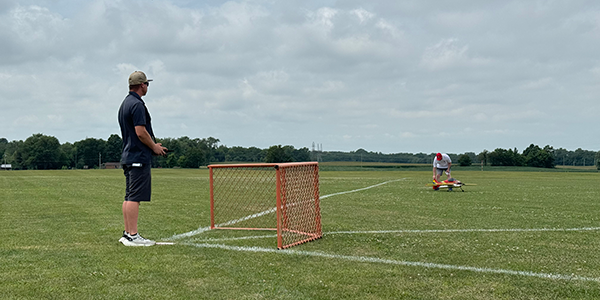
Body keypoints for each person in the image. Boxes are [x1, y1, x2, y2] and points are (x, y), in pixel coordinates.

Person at [117, 71, 167, 246]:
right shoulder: (137, 105)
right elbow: (140, 132)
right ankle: (133, 235)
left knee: (129, 196)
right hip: (138, 157)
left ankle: (127, 233)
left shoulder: (125, 103)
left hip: (129, 155)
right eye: (147, 84)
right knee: (134, 197)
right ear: (142, 85)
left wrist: (153, 145)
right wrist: (153, 147)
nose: (147, 87)